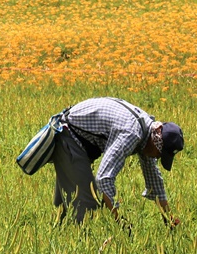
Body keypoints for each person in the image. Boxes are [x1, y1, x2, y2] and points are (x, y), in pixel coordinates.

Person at [48, 97, 183, 227]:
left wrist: (168, 218)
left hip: (85, 140)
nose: (157, 158)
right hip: (68, 133)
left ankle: (61, 225)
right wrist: (120, 222)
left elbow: (154, 180)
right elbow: (103, 178)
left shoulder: (149, 133)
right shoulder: (131, 134)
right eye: (159, 154)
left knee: (76, 200)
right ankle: (66, 232)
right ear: (156, 142)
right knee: (83, 205)